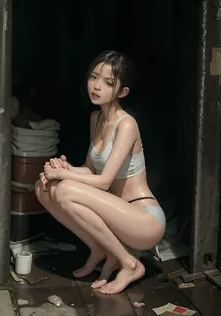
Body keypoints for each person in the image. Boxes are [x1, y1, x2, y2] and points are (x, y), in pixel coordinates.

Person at [35, 51, 166, 295]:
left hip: (143, 219)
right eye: (93, 77)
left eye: (108, 83)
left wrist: (64, 177)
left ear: (122, 92)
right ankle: (100, 250)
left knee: (63, 189)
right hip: (117, 214)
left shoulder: (126, 124)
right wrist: (64, 168)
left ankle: (129, 264)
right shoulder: (96, 118)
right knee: (43, 189)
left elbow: (104, 181)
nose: (96, 86)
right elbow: (89, 169)